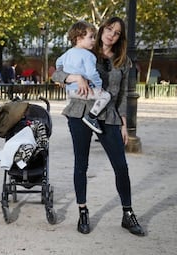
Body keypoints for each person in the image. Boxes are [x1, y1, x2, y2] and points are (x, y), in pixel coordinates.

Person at [59, 17, 145, 236]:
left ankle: (127, 213)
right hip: (79, 113)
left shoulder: (123, 61)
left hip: (109, 116)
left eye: (116, 33)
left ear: (120, 37)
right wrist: (75, 76)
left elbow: (124, 94)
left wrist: (125, 124)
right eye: (109, 29)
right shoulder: (85, 49)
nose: (111, 35)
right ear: (101, 30)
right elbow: (56, 74)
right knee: (81, 164)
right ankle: (83, 212)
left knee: (121, 166)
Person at [53, 20, 111, 134]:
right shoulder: (88, 55)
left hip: (70, 91)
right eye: (91, 37)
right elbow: (91, 74)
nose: (94, 41)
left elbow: (58, 63)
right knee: (106, 96)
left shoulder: (67, 53)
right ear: (79, 38)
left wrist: (65, 77)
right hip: (82, 91)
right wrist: (99, 86)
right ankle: (92, 117)